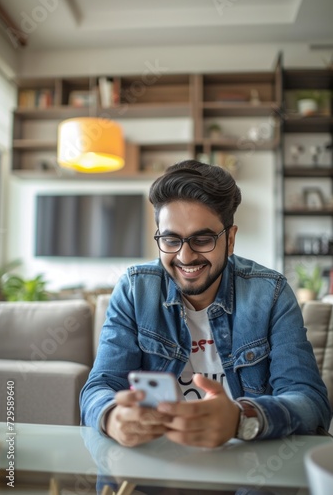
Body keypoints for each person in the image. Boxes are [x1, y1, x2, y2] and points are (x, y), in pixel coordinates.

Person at [80, 159, 331, 449]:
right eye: (171, 240)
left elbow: (310, 400)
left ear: (231, 239)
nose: (185, 257)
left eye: (202, 239)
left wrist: (241, 418)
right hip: (155, 463)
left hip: (246, 467)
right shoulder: (135, 290)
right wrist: (112, 415)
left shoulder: (271, 293)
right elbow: (100, 386)